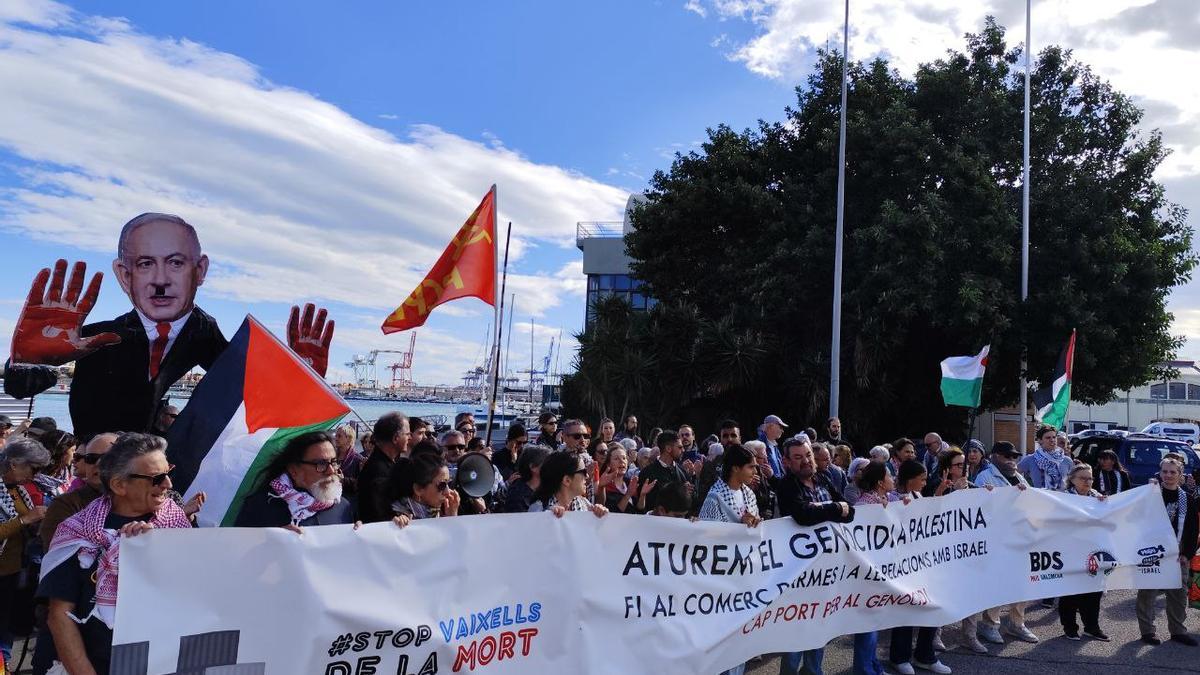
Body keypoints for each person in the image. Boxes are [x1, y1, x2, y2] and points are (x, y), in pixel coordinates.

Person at [5, 214, 334, 438]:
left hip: (148, 462)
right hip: (94, 459)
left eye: (175, 263)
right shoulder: (97, 337)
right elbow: (21, 389)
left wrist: (298, 376)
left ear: (199, 271)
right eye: (145, 264)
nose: (161, 280)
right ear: (124, 275)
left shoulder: (200, 329)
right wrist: (27, 363)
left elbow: (243, 386)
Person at [38, 433, 193, 673]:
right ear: (119, 485)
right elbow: (59, 616)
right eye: (156, 478)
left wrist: (157, 547)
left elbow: (196, 598)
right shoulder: (75, 532)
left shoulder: (178, 527)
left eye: (168, 473)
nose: (168, 484)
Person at [776, 437, 855, 675]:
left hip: (827, 571)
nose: (806, 461)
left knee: (820, 629)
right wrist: (834, 509)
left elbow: (849, 511)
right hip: (799, 574)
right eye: (798, 457)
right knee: (796, 632)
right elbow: (802, 515)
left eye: (808, 455)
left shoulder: (823, 478)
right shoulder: (786, 485)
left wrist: (825, 509)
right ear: (786, 462)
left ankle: (813, 671)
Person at [888, 461, 952, 675]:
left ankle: (925, 655)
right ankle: (899, 657)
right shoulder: (892, 499)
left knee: (931, 608)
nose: (925, 483)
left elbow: (929, 517)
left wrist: (940, 491)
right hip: (904, 565)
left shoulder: (917, 495)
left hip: (924, 562)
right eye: (922, 479)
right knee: (906, 611)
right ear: (909, 480)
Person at [973, 442, 1038, 645]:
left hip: (1020, 537)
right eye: (1006, 456)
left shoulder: (1019, 477)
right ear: (994, 457)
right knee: (998, 582)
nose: (1011, 460)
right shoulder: (985, 477)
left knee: (1021, 582)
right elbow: (980, 507)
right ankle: (989, 624)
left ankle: (1016, 623)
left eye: (1014, 457)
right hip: (997, 538)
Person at [1137, 457, 1199, 646]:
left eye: (1173, 472)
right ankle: (1147, 631)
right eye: (1164, 471)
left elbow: (1192, 529)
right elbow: (1131, 515)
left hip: (1178, 553)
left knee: (1178, 593)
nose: (1168, 475)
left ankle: (1178, 631)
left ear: (1180, 475)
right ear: (1160, 472)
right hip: (1151, 551)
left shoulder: (1187, 499)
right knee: (1148, 592)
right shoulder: (1150, 494)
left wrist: (1187, 554)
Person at [235, 431, 354, 528]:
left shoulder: (343, 507)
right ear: (294, 470)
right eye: (321, 463)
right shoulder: (260, 508)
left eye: (333, 462)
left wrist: (358, 535)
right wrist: (269, 539)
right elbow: (236, 547)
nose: (331, 471)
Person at [1, 439, 51, 666]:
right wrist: (25, 519)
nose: (35, 475)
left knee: (5, 626)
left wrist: (36, 524)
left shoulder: (19, 490)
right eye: (33, 468)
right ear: (14, 464)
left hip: (12, 571)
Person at [1057, 464, 1111, 641]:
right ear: (1072, 479)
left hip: (1092, 553)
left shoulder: (1097, 497)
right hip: (1070, 552)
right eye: (1083, 478)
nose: (1087, 481)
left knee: (1093, 592)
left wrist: (1105, 505)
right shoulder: (1062, 499)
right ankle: (1070, 627)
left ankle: (1092, 627)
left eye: (1090, 478)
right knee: (1071, 592)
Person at [39, 434, 117, 547]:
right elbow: (57, 551)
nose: (98, 463)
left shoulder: (139, 500)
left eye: (107, 458)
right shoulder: (65, 504)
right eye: (91, 458)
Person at [357, 412, 409, 523]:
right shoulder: (378, 471)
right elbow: (380, 514)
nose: (410, 437)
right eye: (407, 434)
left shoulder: (387, 464)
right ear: (395, 438)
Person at [386, 453, 459, 525]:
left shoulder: (439, 512)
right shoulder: (394, 515)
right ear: (418, 489)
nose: (447, 492)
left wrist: (452, 517)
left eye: (449, 483)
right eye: (442, 485)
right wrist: (396, 525)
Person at [530, 452, 608, 518]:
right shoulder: (538, 509)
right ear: (567, 480)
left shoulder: (584, 503)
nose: (587, 476)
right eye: (584, 472)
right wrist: (548, 517)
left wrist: (600, 513)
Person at [636, 430, 689, 511]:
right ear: (668, 448)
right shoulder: (647, 473)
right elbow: (641, 507)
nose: (683, 450)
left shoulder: (683, 471)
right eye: (680, 447)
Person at [1019, 426, 1074, 491]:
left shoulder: (1067, 460)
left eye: (1054, 437)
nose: (1052, 440)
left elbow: (1074, 482)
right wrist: (1021, 485)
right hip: (1040, 496)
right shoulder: (1030, 459)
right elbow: (1013, 473)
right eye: (1048, 438)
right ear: (1040, 441)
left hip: (1061, 496)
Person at [504, 446, 550, 514]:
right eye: (548, 463)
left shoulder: (549, 489)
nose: (552, 466)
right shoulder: (517, 495)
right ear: (532, 467)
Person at [596, 445, 640, 513]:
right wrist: (628, 495)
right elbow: (613, 513)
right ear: (608, 464)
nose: (622, 461)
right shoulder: (605, 485)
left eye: (624, 458)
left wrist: (643, 495)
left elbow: (640, 511)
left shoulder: (630, 482)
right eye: (616, 459)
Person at [332, 423, 363, 498]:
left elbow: (361, 483)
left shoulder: (358, 459)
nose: (336, 438)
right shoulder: (332, 457)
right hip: (332, 496)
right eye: (336, 436)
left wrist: (343, 480)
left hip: (349, 499)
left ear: (349, 438)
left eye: (339, 436)